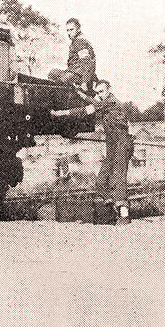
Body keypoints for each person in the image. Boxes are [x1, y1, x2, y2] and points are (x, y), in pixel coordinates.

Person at [51, 79, 133, 225]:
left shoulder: (112, 102)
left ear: (109, 89)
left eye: (102, 91)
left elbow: (86, 109)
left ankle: (124, 215)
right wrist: (78, 92)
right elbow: (91, 105)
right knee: (101, 181)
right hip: (112, 145)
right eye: (97, 93)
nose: (99, 95)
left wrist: (60, 113)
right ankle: (114, 205)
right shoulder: (102, 103)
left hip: (122, 143)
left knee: (118, 177)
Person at [48, 18, 96, 88]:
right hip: (73, 72)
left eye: (71, 30)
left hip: (79, 75)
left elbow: (87, 62)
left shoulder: (80, 41)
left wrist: (84, 82)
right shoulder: (75, 41)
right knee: (53, 73)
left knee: (61, 81)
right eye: (67, 30)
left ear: (78, 29)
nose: (69, 33)